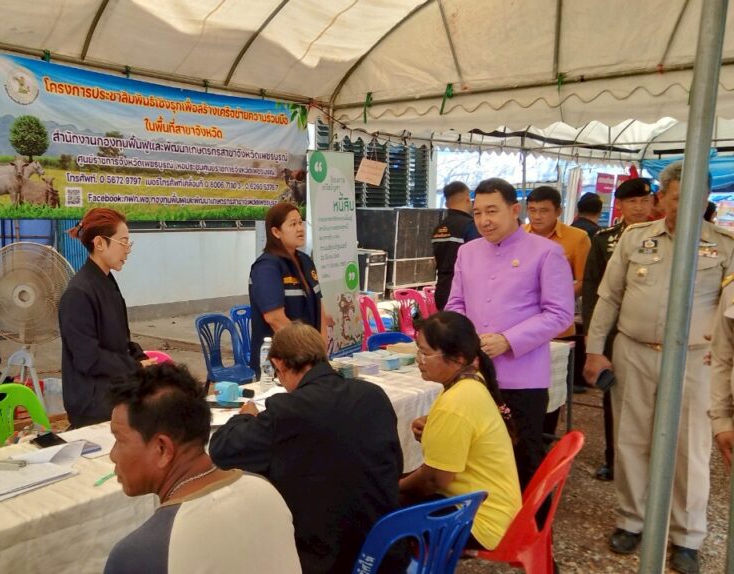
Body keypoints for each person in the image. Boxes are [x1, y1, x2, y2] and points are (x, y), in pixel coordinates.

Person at [584, 161, 734, 574]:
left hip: (695, 359)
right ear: (661, 198)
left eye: (696, 197)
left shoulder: (725, 246)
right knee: (631, 440)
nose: (687, 205)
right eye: (678, 197)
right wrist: (595, 350)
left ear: (706, 198)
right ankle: (632, 520)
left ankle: (687, 536)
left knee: (691, 448)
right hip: (634, 352)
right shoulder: (635, 239)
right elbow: (609, 297)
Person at [209, 322, 404, 574]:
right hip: (384, 547)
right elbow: (395, 465)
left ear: (279, 364)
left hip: (326, 559)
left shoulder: (287, 411)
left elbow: (222, 450)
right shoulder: (373, 395)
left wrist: (245, 417)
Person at [104, 363, 300, 574]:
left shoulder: (139, 555)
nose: (113, 455)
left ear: (162, 449)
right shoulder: (265, 490)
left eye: (119, 440)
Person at [446, 177, 573, 489]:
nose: (484, 221)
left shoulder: (546, 252)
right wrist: (465, 339)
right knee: (474, 460)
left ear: (515, 210)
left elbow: (559, 313)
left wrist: (509, 340)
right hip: (473, 375)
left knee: (523, 461)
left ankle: (532, 521)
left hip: (522, 378)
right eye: (477, 213)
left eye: (492, 211)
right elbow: (455, 303)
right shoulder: (468, 252)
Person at [400, 311, 522, 551]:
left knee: (381, 511)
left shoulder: (457, 401)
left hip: (480, 520)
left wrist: (398, 485)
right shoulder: (469, 381)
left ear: (457, 358)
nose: (419, 360)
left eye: (425, 353)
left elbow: (434, 480)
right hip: (492, 507)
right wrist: (435, 429)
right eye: (418, 351)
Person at [581, 177, 654, 482]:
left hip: (651, 332)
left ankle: (652, 462)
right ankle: (613, 459)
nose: (639, 208)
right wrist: (592, 335)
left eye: (644, 201)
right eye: (632, 202)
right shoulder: (605, 239)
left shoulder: (664, 237)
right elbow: (592, 288)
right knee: (614, 397)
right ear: (620, 205)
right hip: (613, 332)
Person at [59, 208, 151, 428]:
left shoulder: (106, 281)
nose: (128, 249)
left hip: (114, 391)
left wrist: (142, 359)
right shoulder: (78, 294)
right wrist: (135, 367)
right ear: (99, 243)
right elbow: (88, 358)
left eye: (129, 242)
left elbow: (121, 340)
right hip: (92, 405)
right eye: (123, 242)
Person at [248, 202, 332, 375]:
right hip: (282, 363)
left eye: (300, 222)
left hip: (310, 360)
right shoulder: (267, 267)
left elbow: (319, 307)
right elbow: (275, 318)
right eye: (292, 224)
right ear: (276, 232)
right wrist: (306, 351)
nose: (300, 229)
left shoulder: (306, 261)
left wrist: (321, 351)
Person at [524, 185, 591, 338]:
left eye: (544, 211)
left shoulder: (578, 238)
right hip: (521, 321)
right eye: (532, 210)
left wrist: (553, 299)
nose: (537, 216)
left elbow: (584, 281)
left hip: (558, 324)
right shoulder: (517, 235)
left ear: (558, 211)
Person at [431, 181, 474, 309]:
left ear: (446, 204)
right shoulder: (470, 226)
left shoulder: (438, 228)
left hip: (442, 290)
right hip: (463, 293)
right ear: (468, 199)